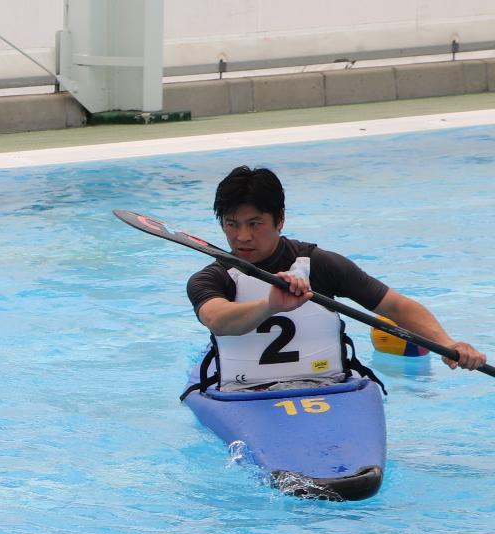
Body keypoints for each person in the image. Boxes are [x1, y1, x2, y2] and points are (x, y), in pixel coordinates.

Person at [186, 166, 485, 391]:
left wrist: (449, 343)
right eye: (231, 224)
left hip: (331, 388)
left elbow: (396, 307)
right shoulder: (211, 278)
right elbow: (217, 319)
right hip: (242, 394)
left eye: (255, 224)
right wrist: (269, 305)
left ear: (280, 220)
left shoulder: (320, 265)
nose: (242, 236)